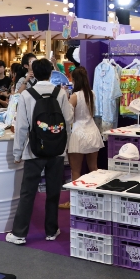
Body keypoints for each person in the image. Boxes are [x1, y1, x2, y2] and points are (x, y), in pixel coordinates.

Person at [7, 59, 74, 245]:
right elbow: (68, 120)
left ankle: (19, 233)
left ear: (34, 74)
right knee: (53, 192)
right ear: (51, 73)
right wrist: (65, 148)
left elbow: (21, 127)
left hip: (34, 150)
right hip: (57, 150)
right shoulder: (60, 93)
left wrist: (17, 153)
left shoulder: (26, 95)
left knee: (28, 192)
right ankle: (51, 231)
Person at [60, 66, 103, 210]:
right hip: (93, 132)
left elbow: (68, 118)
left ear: (74, 79)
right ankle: (96, 199)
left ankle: (75, 202)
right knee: (94, 168)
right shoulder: (92, 94)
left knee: (76, 170)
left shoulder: (74, 96)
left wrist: (65, 99)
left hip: (79, 134)